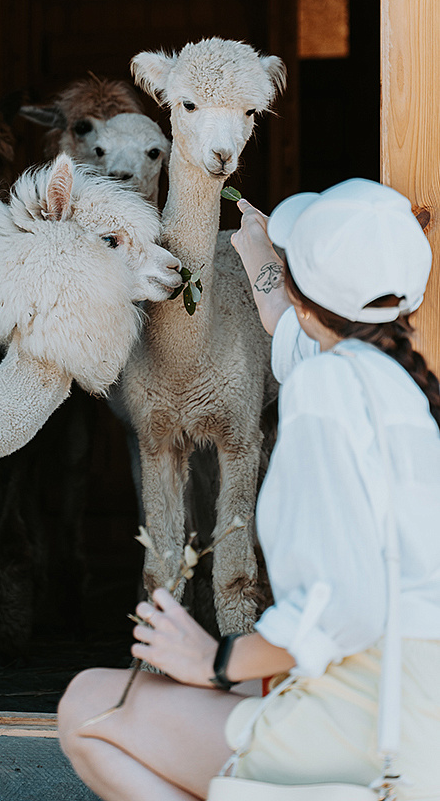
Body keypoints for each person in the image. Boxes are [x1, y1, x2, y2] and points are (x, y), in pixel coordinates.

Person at [57, 178, 440, 801]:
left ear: (307, 291)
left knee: (89, 707)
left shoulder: (323, 393)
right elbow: (284, 318)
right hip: (416, 703)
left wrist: (215, 660)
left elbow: (349, 608)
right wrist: (257, 246)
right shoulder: (394, 382)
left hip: (371, 721)